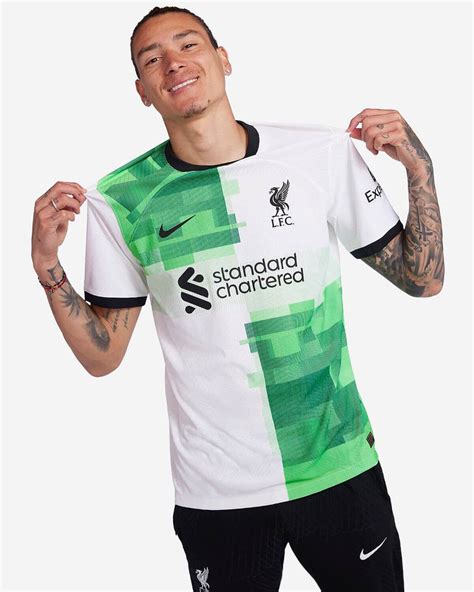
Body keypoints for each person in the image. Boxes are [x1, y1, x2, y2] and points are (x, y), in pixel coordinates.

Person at [31, 5, 444, 591]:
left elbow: (422, 280)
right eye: (153, 59)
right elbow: (103, 357)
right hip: (218, 492)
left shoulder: (318, 156)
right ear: (142, 91)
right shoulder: (122, 201)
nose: (174, 63)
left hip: (337, 463)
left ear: (223, 60)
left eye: (188, 45)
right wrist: (48, 266)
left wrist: (419, 169)